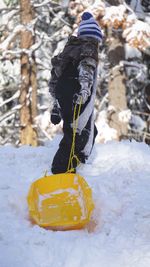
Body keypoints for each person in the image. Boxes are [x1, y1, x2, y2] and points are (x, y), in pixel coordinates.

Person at [49, 12, 103, 174]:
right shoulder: (89, 46)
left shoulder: (69, 49)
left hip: (64, 93)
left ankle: (74, 163)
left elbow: (57, 79)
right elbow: (86, 70)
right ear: (94, 36)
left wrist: (56, 107)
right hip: (76, 92)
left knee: (85, 131)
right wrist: (84, 91)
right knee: (76, 134)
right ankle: (60, 170)